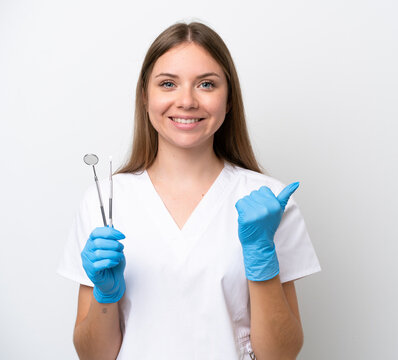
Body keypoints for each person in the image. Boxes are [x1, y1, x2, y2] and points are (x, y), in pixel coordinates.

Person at [58, 21, 320, 360]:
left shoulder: (266, 201)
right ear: (144, 97)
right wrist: (105, 297)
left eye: (206, 84)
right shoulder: (105, 200)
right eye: (168, 83)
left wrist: (261, 257)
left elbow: (281, 355)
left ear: (228, 100)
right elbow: (93, 356)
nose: (186, 101)